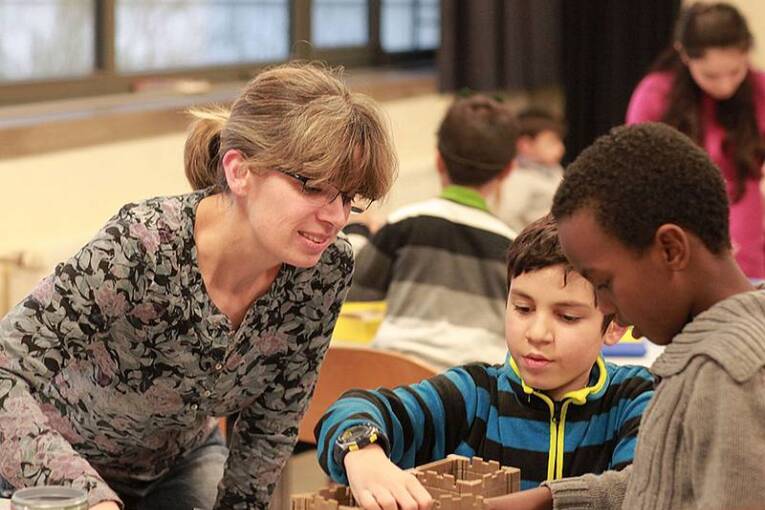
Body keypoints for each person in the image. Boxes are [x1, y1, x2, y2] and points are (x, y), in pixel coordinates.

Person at [0, 62, 397, 510]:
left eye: (348, 197)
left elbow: (272, 423)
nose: (336, 217)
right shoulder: (142, 245)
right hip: (57, 462)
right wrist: (91, 498)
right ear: (239, 171)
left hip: (178, 465)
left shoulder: (326, 269)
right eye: (313, 187)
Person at [488, 122, 765, 510]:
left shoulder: (728, 372)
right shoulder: (718, 348)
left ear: (670, 250)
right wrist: (548, 500)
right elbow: (667, 479)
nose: (603, 306)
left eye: (603, 283)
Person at [314, 214, 655, 509]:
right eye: (522, 308)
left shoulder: (634, 399)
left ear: (616, 325)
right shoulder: (474, 394)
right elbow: (349, 410)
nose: (537, 333)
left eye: (566, 317)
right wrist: (362, 451)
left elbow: (642, 490)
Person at [347, 94, 518, 370]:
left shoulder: (405, 223)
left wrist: (358, 228)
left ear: (438, 160)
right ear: (508, 170)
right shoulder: (514, 248)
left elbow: (351, 287)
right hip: (475, 394)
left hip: (392, 380)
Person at [626, 2, 765, 280]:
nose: (725, 85)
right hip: (682, 239)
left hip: (754, 245)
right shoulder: (655, 95)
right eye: (711, 75)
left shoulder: (760, 88)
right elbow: (637, 175)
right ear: (684, 55)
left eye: (735, 71)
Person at [494, 107, 566, 234]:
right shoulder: (519, 177)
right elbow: (505, 216)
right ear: (525, 145)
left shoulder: (555, 170)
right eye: (551, 142)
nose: (561, 148)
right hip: (536, 245)